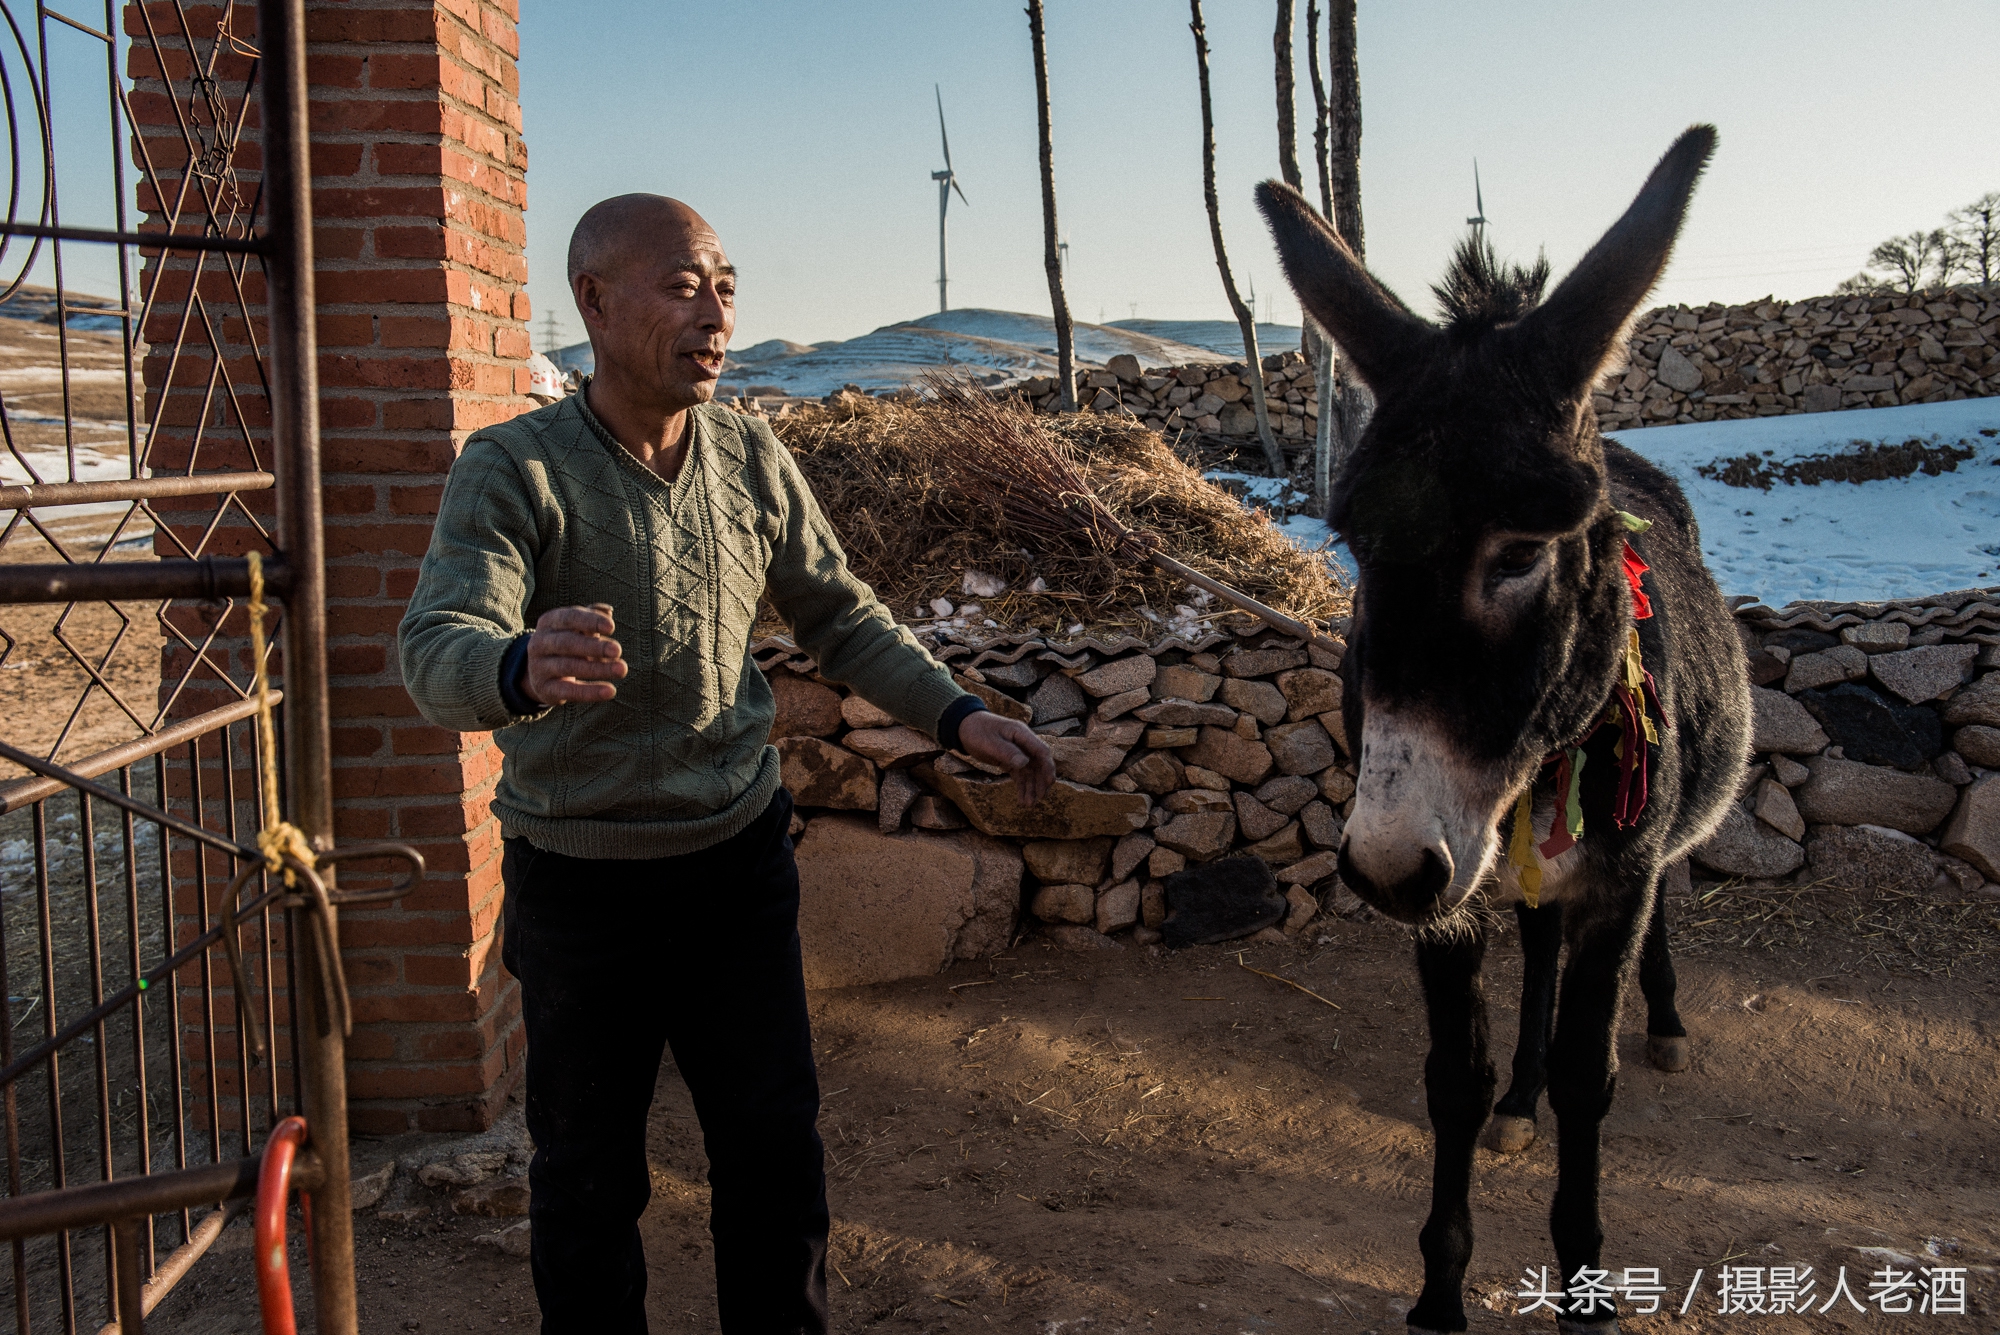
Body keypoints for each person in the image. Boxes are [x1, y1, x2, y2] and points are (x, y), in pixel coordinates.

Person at [398, 194, 1055, 1335]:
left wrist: (954, 716)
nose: (716, 313)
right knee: (589, 1184)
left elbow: (842, 621)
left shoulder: (750, 452)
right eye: (683, 284)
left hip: (735, 873)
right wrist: (514, 663)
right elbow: (433, 649)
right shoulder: (514, 469)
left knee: (772, 1160)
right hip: (579, 886)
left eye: (725, 285)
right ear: (594, 303)